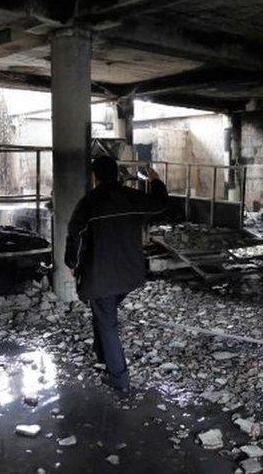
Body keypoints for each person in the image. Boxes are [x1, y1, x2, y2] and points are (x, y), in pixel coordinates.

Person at [65, 156, 168, 392]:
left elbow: (76, 236)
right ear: (118, 175)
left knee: (107, 321)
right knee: (103, 313)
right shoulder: (131, 197)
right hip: (129, 274)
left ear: (94, 176)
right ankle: (102, 354)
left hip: (102, 276)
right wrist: (156, 181)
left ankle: (119, 378)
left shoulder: (89, 203)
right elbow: (160, 204)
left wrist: (72, 262)